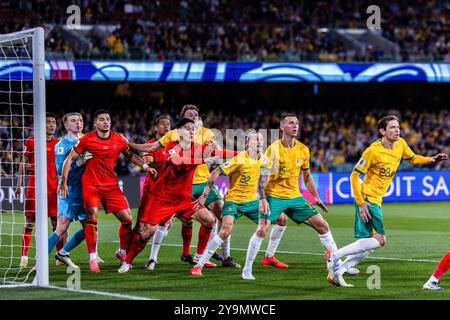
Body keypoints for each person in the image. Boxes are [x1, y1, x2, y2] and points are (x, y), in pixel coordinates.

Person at [327, 115, 449, 287]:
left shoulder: (400, 144)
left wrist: (431, 159)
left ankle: (338, 272)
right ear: (382, 131)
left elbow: (412, 158)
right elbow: (355, 175)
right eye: (392, 127)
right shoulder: (372, 151)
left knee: (369, 244)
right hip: (368, 198)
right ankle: (335, 256)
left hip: (376, 198)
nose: (397, 130)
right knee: (380, 240)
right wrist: (361, 202)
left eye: (398, 127)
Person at [118, 118, 237, 273]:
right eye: (187, 128)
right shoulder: (171, 147)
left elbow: (220, 153)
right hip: (164, 199)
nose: (191, 131)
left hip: (184, 199)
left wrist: (244, 153)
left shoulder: (197, 147)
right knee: (148, 232)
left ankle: (198, 259)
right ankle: (127, 261)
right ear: (179, 131)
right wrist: (204, 159)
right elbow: (178, 161)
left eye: (193, 129)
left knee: (209, 220)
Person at [241, 114, 345, 280]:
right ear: (282, 127)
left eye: (297, 123)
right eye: (290, 123)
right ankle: (247, 270)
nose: (295, 125)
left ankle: (336, 264)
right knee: (262, 229)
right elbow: (262, 176)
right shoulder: (273, 150)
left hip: (294, 196)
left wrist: (316, 197)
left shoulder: (303, 149)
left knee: (323, 225)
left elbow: (307, 176)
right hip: (274, 196)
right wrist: (261, 198)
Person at [59, 109, 157, 272]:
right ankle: (92, 258)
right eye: (102, 119)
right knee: (92, 218)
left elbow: (130, 154)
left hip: (111, 185)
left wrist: (146, 166)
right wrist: (63, 182)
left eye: (108, 119)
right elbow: (70, 159)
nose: (106, 122)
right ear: (96, 123)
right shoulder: (88, 139)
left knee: (127, 219)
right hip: (91, 185)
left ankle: (122, 252)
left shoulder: (118, 138)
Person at [191, 130, 265, 276]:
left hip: (252, 202)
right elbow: (216, 172)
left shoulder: (263, 158)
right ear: (247, 143)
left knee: (278, 220)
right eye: (256, 139)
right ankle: (198, 265)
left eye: (261, 139)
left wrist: (263, 198)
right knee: (225, 230)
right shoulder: (239, 159)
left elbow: (262, 179)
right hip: (234, 201)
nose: (259, 141)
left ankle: (263, 260)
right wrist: (205, 195)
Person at [48, 112, 99, 268]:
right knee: (62, 226)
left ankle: (63, 253)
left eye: (81, 120)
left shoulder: (88, 140)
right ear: (66, 125)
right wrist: (80, 161)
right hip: (69, 190)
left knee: (90, 227)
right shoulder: (62, 145)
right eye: (74, 121)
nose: (78, 123)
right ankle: (40, 260)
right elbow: (59, 170)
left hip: (86, 190)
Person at [16, 113, 60, 268]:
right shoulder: (32, 141)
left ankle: (59, 256)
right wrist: (19, 184)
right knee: (30, 222)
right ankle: (24, 257)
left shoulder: (58, 143)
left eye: (53, 122)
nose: (52, 125)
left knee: (57, 224)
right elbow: (23, 163)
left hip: (54, 189)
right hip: (34, 188)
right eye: (48, 122)